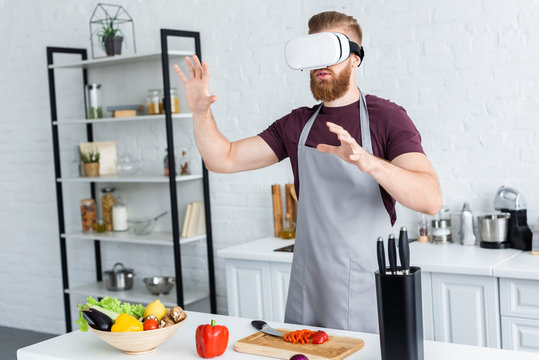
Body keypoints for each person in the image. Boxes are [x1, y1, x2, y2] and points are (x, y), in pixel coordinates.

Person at [174, 11, 442, 333]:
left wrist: (367, 161)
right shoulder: (297, 124)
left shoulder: (388, 118)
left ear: (355, 58)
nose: (322, 64)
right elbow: (224, 159)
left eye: (332, 53)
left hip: (364, 287)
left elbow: (430, 199)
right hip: (308, 285)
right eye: (315, 55)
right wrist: (200, 112)